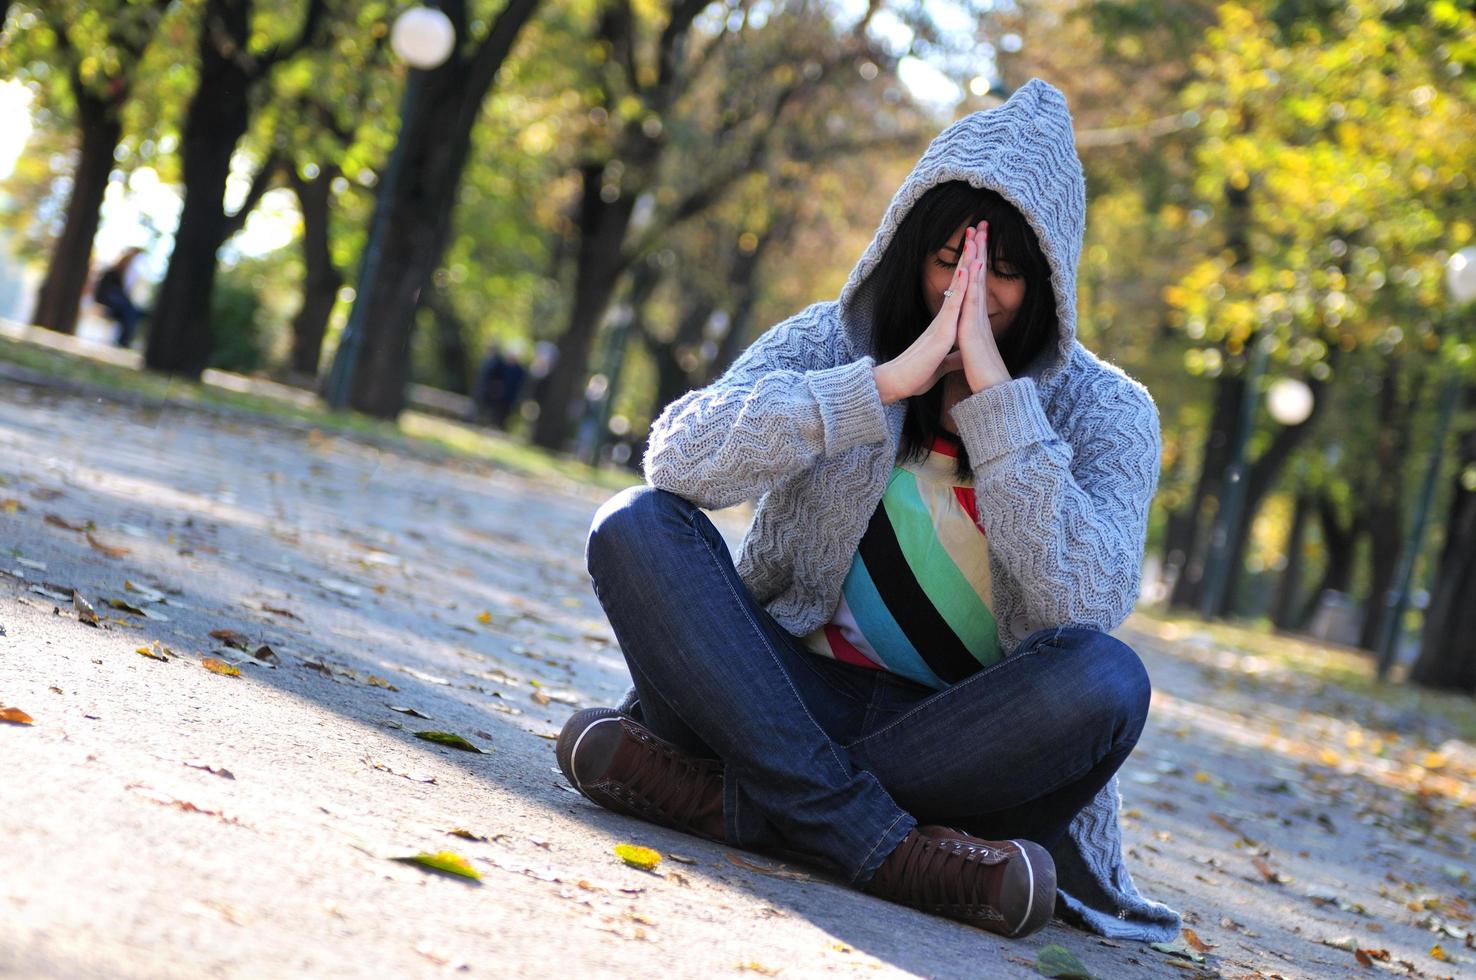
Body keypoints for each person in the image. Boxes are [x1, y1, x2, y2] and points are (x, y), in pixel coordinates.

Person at [557, 80, 1181, 942]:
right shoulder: (830, 341)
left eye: (1006, 269)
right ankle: (887, 850)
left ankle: (739, 802)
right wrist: (880, 385)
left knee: (1109, 679)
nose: (978, 292)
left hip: (964, 738)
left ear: (1051, 279)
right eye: (951, 260)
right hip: (777, 692)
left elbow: (1089, 603)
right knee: (635, 523)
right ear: (907, 250)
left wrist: (997, 407)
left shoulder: (1108, 410)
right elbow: (679, 457)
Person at [92, 247, 147, 348]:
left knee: (133, 312)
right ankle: (124, 341)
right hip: (108, 302)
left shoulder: (126, 275)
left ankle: (124, 340)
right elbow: (103, 292)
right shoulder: (111, 273)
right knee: (129, 311)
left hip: (118, 306)